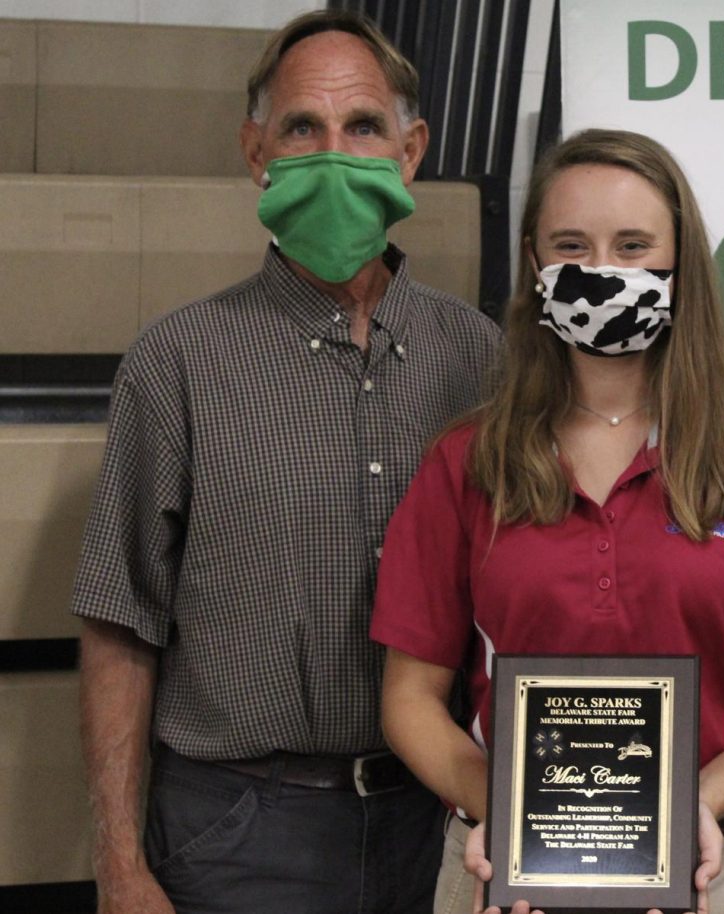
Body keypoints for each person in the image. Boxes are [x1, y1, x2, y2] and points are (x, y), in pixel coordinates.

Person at [370, 128, 724, 914]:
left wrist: (691, 806)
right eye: (572, 245)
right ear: (534, 265)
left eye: (633, 245)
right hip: (506, 877)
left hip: (719, 868)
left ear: (679, 264)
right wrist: (504, 812)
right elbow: (409, 698)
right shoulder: (468, 462)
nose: (602, 270)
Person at [71, 10, 499, 914]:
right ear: (257, 151)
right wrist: (117, 862)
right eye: (304, 128)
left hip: (445, 824)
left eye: (364, 128)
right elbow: (120, 620)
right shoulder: (178, 361)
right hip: (237, 830)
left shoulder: (482, 360)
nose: (334, 154)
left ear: (411, 151)